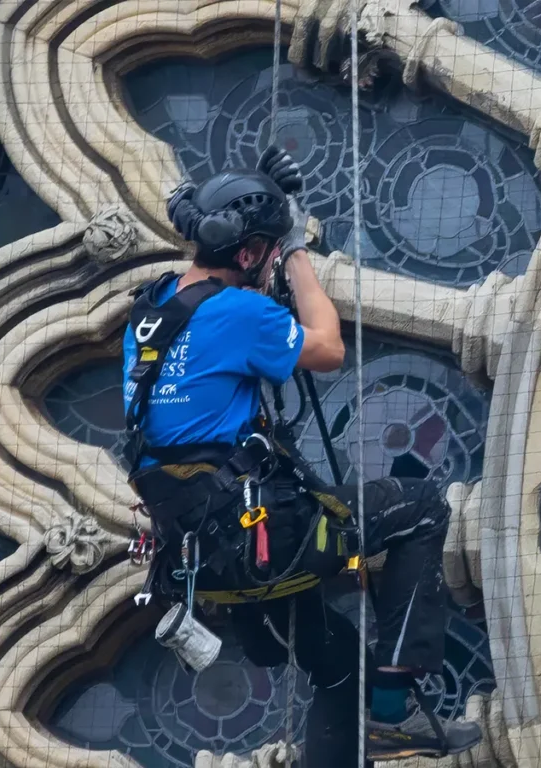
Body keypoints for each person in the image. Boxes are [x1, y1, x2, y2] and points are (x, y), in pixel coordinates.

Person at [126, 152, 482, 764]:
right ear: (247, 254)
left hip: (199, 559)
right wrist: (293, 248)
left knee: (338, 664)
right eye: (261, 253)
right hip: (264, 540)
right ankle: (396, 710)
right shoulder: (236, 309)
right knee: (421, 508)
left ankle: (368, 720)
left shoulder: (152, 307)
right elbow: (327, 347)